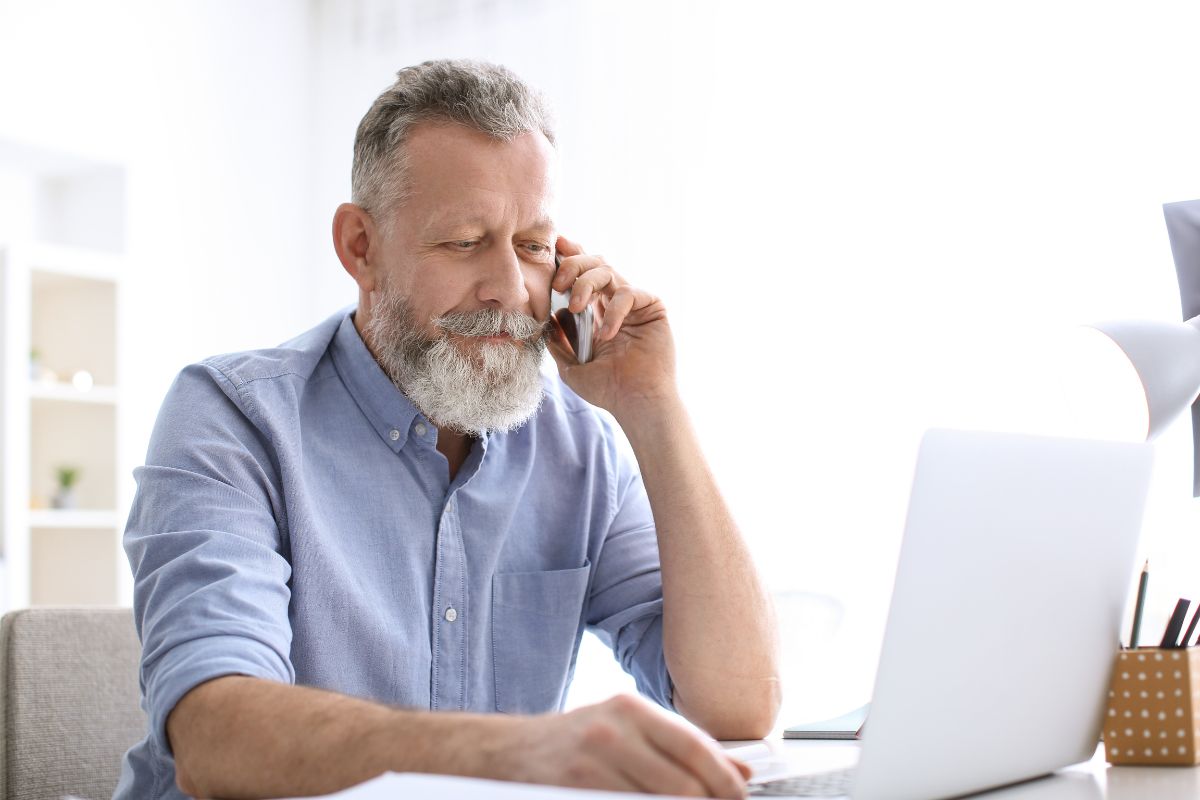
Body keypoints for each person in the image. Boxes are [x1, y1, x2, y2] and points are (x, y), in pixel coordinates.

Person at [114, 59, 780, 800]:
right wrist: (522, 752)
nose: (509, 288)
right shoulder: (232, 418)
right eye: (464, 241)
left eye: (532, 245)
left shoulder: (579, 448)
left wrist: (653, 407)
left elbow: (738, 706)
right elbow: (217, 738)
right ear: (361, 248)